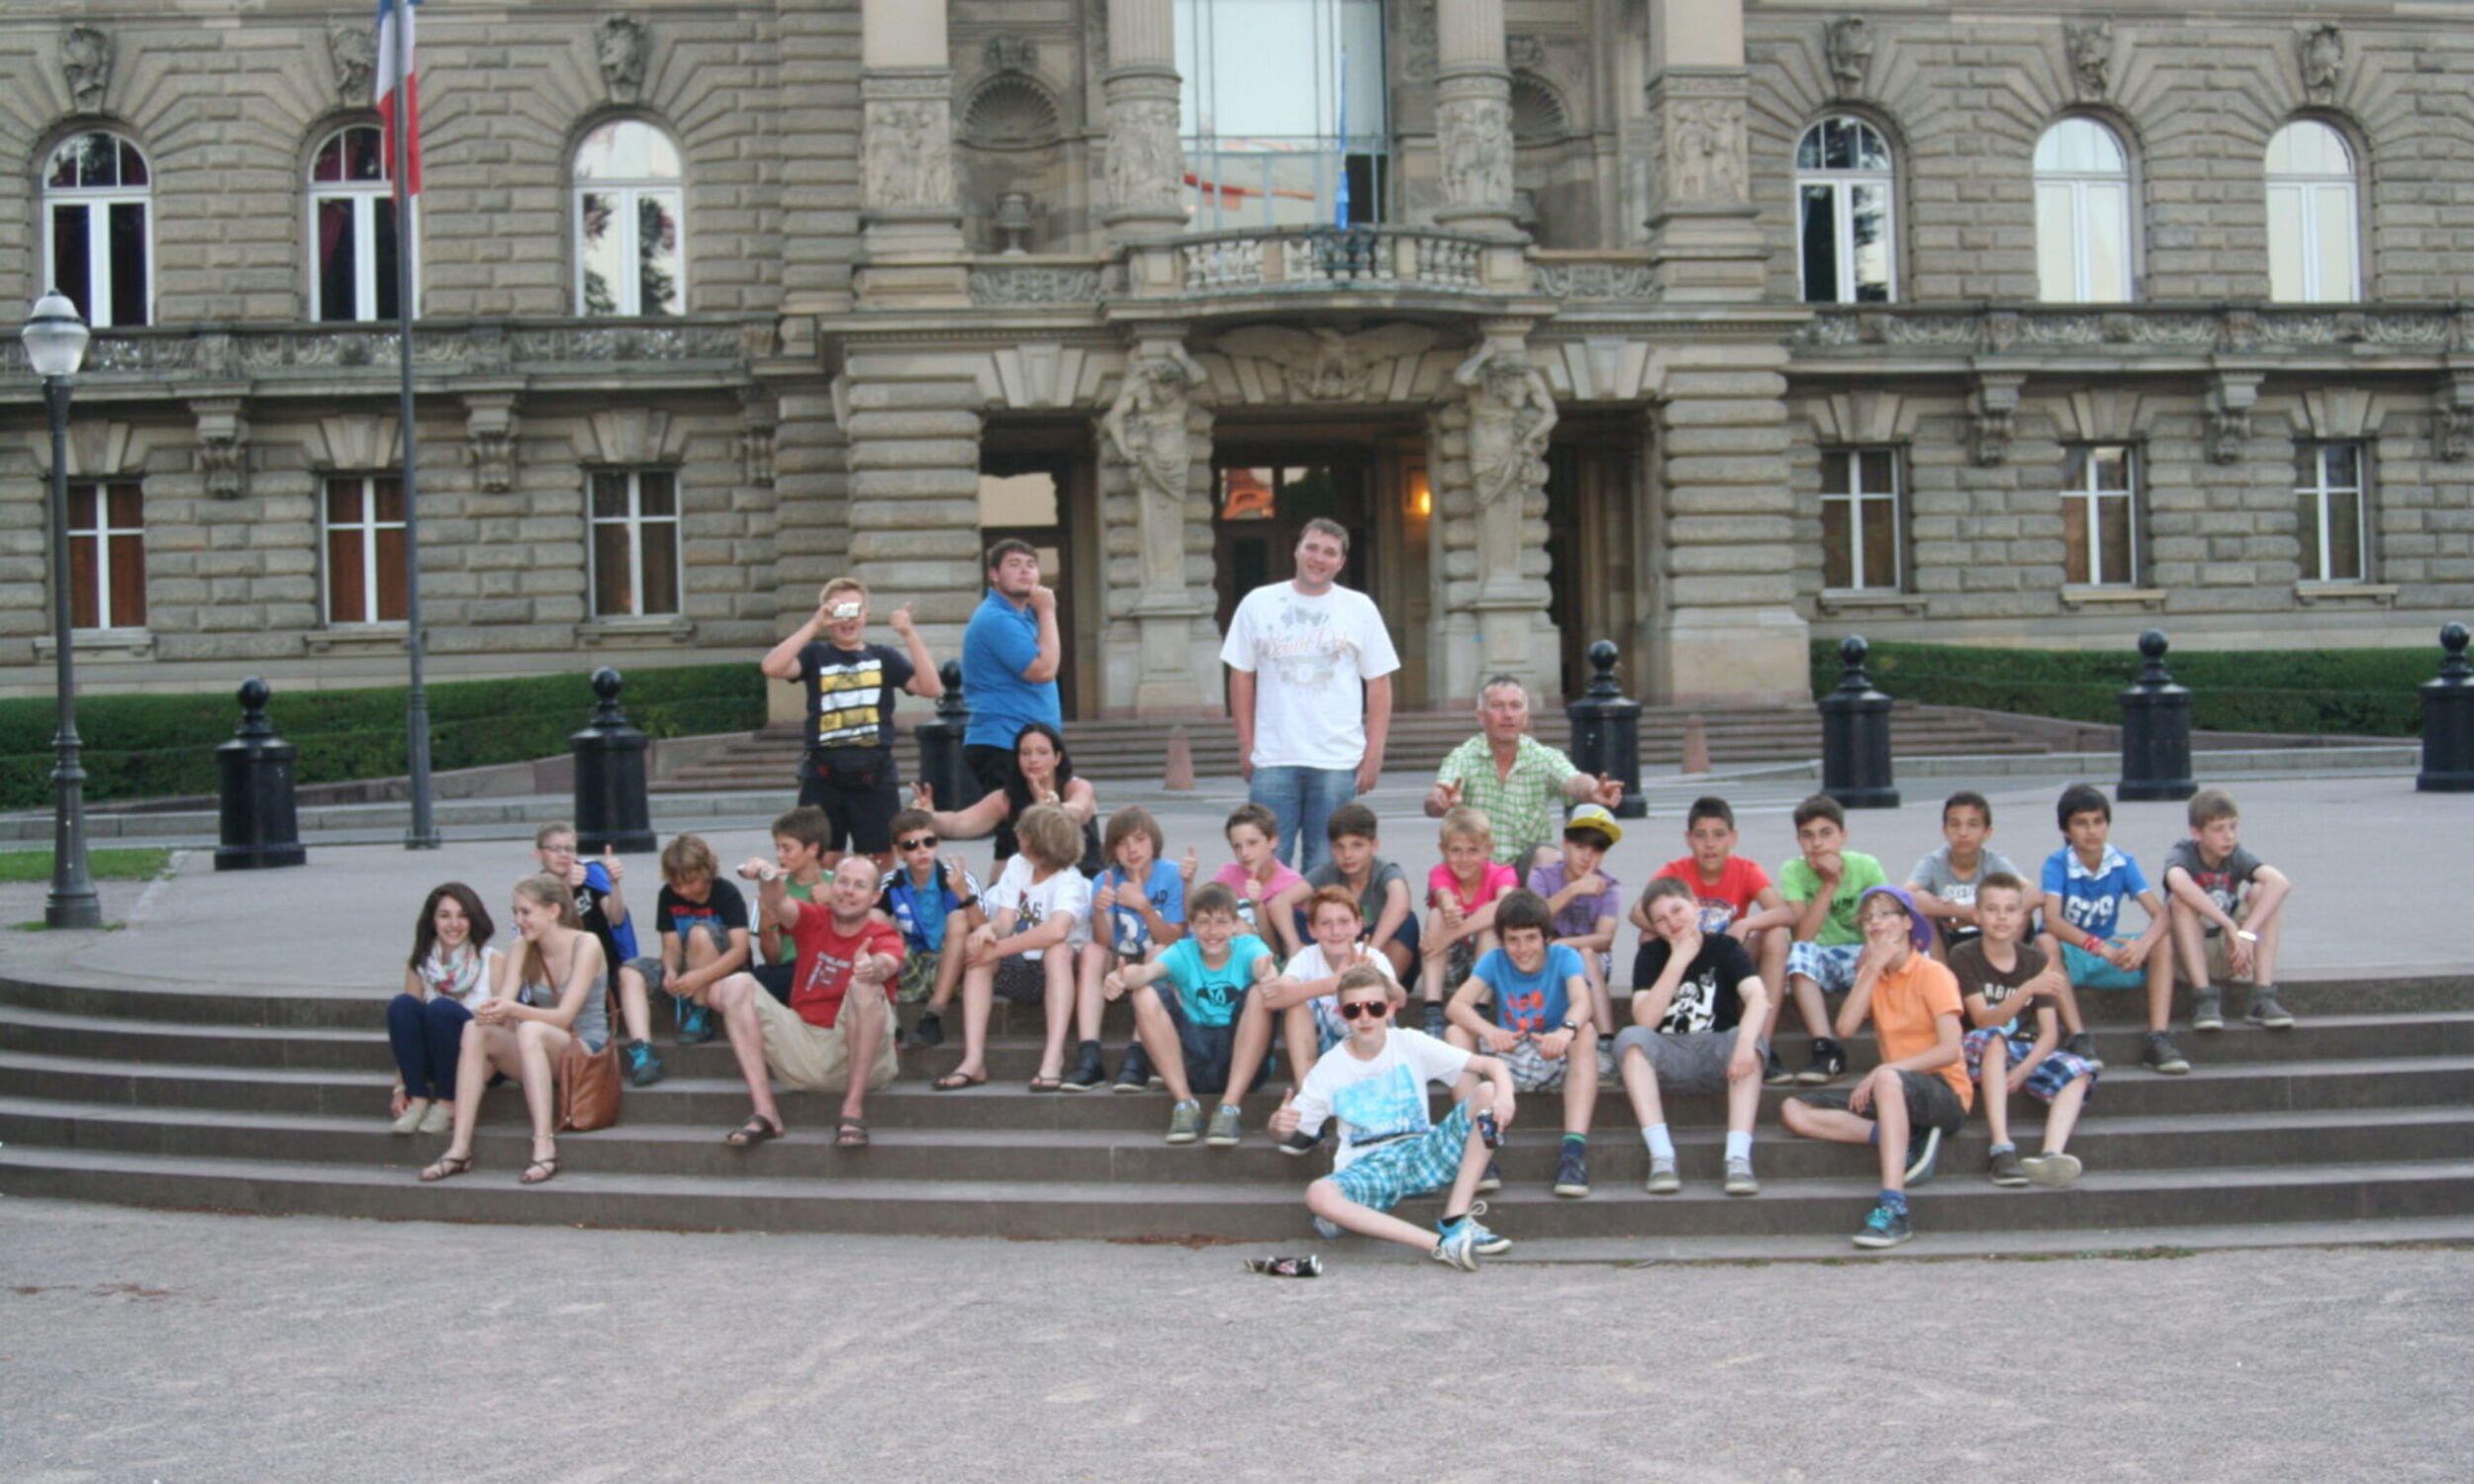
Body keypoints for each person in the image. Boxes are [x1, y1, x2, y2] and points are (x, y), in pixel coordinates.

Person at [1270, 965, 1520, 1271]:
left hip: (1422, 1151)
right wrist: (1277, 1126)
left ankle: (1456, 1220)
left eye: (1374, 1007)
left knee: (1487, 1093)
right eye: (1353, 1009)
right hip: (1369, 1165)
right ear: (1341, 1013)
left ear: (1389, 1009)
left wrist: (1504, 1096)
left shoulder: (1410, 1042)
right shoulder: (1329, 1067)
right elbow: (1290, 1131)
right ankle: (1440, 1245)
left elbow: (1492, 1067)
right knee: (1318, 1193)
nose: (1364, 1017)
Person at [1778, 886, 1971, 1250]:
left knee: (1886, 1076)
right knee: (1794, 1110)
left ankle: (1893, 1208)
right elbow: (1846, 1028)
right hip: (1894, 1089)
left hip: (1944, 1092)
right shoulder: (1875, 976)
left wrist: (1884, 1071)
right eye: (1868, 918)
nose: (1875, 924)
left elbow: (1949, 1049)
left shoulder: (1933, 973)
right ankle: (1899, 1139)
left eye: (1884, 915)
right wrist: (1871, 970)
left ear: (1906, 923)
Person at [1220, 517, 1400, 874]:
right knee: (1266, 864)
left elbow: (1378, 683)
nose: (1319, 558)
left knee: (1327, 864)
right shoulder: (1259, 602)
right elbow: (1241, 677)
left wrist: (1374, 752)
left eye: (1330, 552)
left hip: (1336, 759)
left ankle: (1318, 931)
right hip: (1273, 757)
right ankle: (1268, 933)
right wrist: (1246, 744)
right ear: (1297, 550)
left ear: (1341, 562)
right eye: (1313, 548)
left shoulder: (1359, 607)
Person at [419, 873, 613, 1187]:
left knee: (531, 1029)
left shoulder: (586, 944)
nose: (518, 920)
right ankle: (459, 1147)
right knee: (474, 1029)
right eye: (515, 912)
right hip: (541, 1050)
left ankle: (544, 1146)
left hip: (585, 1050)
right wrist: (490, 1010)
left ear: (552, 911)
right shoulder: (522, 947)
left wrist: (512, 1010)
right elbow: (504, 1002)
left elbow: (564, 1016)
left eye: (525, 912)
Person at [704, 855, 903, 1150]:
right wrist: (768, 876)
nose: (848, 891)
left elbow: (889, 962)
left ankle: (852, 1110)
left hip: (861, 1057)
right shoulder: (813, 919)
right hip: (804, 1046)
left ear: (874, 897)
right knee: (735, 985)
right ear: (830, 886)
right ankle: (766, 1113)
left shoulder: (882, 934)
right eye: (843, 882)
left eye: (859, 886)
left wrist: (873, 968)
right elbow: (778, 903)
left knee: (864, 985)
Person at [758, 577, 942, 874]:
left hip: (874, 777)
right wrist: (814, 625)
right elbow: (772, 666)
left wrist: (908, 633)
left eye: (854, 611)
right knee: (822, 860)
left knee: (880, 861)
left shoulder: (884, 657)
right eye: (839, 611)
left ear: (865, 616)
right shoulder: (815, 655)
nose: (848, 620)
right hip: (824, 776)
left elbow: (931, 687)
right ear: (829, 616)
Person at [1614, 877, 1771, 1197]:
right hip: (1668, 1054)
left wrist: (1742, 1047)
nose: (1672, 922)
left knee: (1750, 1040)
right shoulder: (1651, 955)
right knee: (1630, 1040)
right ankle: (1662, 1156)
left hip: (1718, 1052)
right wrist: (1679, 959)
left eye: (1677, 910)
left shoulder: (1725, 947)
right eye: (1661, 919)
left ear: (1696, 906)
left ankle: (1738, 1158)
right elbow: (1645, 1019)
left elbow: (1758, 998)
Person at [1443, 890, 1598, 1199]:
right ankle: (1479, 1143)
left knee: (1587, 1032)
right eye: (1513, 939)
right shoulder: (1494, 960)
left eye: (1531, 938)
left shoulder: (1565, 957)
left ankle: (1573, 1152)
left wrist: (1565, 1032)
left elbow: (1583, 1002)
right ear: (1502, 940)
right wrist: (1489, 1031)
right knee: (1454, 1034)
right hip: (1507, 1058)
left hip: (1551, 1052)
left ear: (1545, 937)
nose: (1522, 948)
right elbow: (1456, 1005)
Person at [1214, 884, 1402, 1142]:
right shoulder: (1307, 958)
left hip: (1367, 1049)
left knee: (1376, 1003)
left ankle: (1378, 1103)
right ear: (1312, 930)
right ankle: (1310, 1107)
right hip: (1324, 1052)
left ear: (1358, 925)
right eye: (1325, 924)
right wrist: (1332, 983)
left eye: (1344, 922)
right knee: (1296, 1003)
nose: (1335, 931)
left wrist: (1376, 980)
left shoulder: (1373, 956)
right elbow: (1275, 996)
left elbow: (1400, 999)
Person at [1103, 882, 1282, 1145]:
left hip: (1242, 1056)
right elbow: (1145, 973)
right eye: (1204, 922)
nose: (1212, 932)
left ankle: (1230, 1106)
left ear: (1235, 925)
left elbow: (1263, 967)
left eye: (1221, 922)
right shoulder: (1182, 951)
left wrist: (1269, 976)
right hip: (1195, 1056)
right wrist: (1120, 978)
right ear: (1192, 926)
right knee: (1144, 993)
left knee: (1259, 994)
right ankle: (1185, 1104)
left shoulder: (1249, 946)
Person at [933, 804, 1093, 1091]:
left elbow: (1056, 930)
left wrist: (1001, 948)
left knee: (1058, 950)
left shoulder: (1070, 881)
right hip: (1019, 964)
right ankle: (973, 1059)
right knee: (981, 955)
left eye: (1025, 833)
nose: (1019, 836)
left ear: (1041, 841)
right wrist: (988, 931)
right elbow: (1006, 920)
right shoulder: (1018, 865)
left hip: (1058, 973)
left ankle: (1052, 1058)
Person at [1954, 873, 2094, 1188]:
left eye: (2009, 909)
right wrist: (2026, 990)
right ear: (1976, 915)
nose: (2001, 917)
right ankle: (2001, 1148)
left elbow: (2049, 1033)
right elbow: (1983, 1020)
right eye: (1991, 909)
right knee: (1995, 1038)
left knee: (2080, 1069)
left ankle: (2051, 1154)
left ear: (2021, 916)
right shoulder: (1964, 955)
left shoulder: (2037, 960)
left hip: (2021, 1052)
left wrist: (2023, 1071)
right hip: (1977, 1049)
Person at [2039, 783, 2183, 1075]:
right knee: (2045, 942)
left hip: (2109, 952)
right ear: (2066, 831)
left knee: (2161, 942)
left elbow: (2161, 914)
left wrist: (2141, 945)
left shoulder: (2122, 862)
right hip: (2075, 953)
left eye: (2098, 822)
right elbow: (2052, 920)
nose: (2091, 831)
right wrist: (2098, 947)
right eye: (2081, 823)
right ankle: (2078, 1036)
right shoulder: (2057, 865)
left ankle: (2158, 1037)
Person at [1644, 796, 1792, 1079]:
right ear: (1688, 839)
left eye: (1718, 835)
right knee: (1648, 935)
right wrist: (1672, 928)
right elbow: (1639, 910)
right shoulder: (1675, 871)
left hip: (1729, 957)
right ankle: (1666, 1028)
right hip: (1684, 959)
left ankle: (1763, 1045)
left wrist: (1748, 922)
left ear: (1733, 837)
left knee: (1775, 935)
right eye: (1700, 836)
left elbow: (1785, 912)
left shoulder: (1746, 870)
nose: (1709, 844)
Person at [1424, 675, 1623, 869]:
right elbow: (1437, 795)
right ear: (1481, 717)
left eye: (1515, 706)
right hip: (1475, 869)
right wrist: (1439, 800)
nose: (1508, 714)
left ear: (1525, 717)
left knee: (1549, 856)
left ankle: (1539, 902)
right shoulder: (1462, 757)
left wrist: (1593, 789)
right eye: (1497, 706)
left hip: (1525, 872)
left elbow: (1574, 781)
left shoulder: (1544, 757)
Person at [1065, 805, 1194, 1092]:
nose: (1131, 849)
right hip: (1120, 958)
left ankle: (1138, 1053)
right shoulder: (1106, 879)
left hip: (1156, 958)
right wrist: (1099, 912)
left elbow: (1175, 938)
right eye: (1121, 842)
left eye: (1139, 839)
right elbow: (1103, 942)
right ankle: (1089, 1054)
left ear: (1154, 841)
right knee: (1090, 953)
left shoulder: (1172, 875)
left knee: (1159, 952)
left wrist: (1144, 907)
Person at [1774, 793, 1891, 1087]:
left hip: (1860, 958)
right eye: (1808, 836)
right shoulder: (1794, 871)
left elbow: (1887, 917)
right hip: (1821, 959)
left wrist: (1871, 946)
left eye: (1826, 834)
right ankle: (1825, 1047)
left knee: (1905, 948)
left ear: (1843, 836)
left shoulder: (1866, 866)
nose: (1817, 843)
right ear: (1799, 840)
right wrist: (1829, 884)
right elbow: (1802, 934)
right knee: (1798, 951)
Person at [532, 822, 660, 1085]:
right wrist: (566, 891)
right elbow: (553, 939)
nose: (564, 855)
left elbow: (615, 917)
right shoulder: (534, 894)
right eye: (555, 849)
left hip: (604, 975)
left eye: (569, 849)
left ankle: (642, 1052)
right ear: (539, 854)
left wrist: (614, 884)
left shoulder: (589, 879)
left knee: (629, 973)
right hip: (563, 982)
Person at [2162, 788, 2297, 1033]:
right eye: (2218, 829)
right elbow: (2177, 882)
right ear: (2196, 832)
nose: (2228, 836)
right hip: (2189, 954)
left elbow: (2280, 883)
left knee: (2263, 893)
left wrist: (2246, 933)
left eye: (2232, 827)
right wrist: (2229, 924)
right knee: (2179, 902)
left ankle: (2262, 997)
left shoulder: (2236, 854)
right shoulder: (2183, 853)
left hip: (2232, 951)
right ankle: (2204, 997)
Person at [914, 720, 1101, 876]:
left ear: (1057, 757)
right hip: (1026, 884)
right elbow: (960, 822)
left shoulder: (1076, 786)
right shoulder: (1006, 798)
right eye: (1025, 753)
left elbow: (1080, 809)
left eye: (1042, 752)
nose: (1033, 759)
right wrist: (928, 816)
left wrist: (1055, 807)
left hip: (1081, 877)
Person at [387, 882, 501, 1136]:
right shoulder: (420, 963)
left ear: (474, 920)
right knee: (402, 1005)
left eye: (462, 916)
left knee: (441, 1009)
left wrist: (474, 1083)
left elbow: (506, 1032)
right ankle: (417, 1103)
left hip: (476, 1059)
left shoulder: (493, 960)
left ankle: (446, 1104)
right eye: (445, 916)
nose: (454, 924)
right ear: (432, 921)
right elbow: (407, 1031)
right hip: (435, 1058)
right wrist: (399, 1087)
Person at [959, 538, 1062, 798]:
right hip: (1005, 742)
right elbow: (1043, 670)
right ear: (994, 575)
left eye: (1031, 565)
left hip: (1028, 742)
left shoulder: (1024, 615)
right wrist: (1048, 612)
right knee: (1018, 833)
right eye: (1014, 564)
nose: (1025, 570)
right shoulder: (996, 618)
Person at [632, 834, 750, 1062]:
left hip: (721, 967)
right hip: (689, 967)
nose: (684, 890)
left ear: (706, 872)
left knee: (699, 933)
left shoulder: (726, 893)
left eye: (690, 882)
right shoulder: (667, 895)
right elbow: (671, 946)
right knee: (630, 971)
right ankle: (641, 1050)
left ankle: (699, 1011)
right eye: (677, 884)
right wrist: (670, 970)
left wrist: (701, 977)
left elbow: (740, 950)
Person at [879, 807, 984, 1050]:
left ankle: (932, 1017)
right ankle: (890, 1023)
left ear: (938, 843)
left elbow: (987, 932)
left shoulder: (958, 878)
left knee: (959, 918)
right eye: (911, 845)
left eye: (928, 841)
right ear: (898, 852)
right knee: (876, 919)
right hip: (913, 967)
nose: (921, 850)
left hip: (954, 966)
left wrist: (964, 896)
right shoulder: (891, 882)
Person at [1525, 802, 1624, 1043]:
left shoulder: (1609, 886)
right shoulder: (1541, 876)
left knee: (1588, 953)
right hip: (1541, 954)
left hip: (1586, 958)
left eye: (1597, 850)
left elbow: (1604, 938)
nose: (1587, 857)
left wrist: (1562, 943)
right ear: (1565, 844)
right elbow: (1530, 919)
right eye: (1580, 847)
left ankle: (1605, 1040)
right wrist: (1575, 889)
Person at [1419, 805, 1515, 1038]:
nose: (1464, 859)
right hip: (1453, 964)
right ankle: (1432, 1010)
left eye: (1473, 850)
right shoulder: (1440, 872)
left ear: (1488, 850)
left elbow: (1505, 905)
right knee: (1436, 916)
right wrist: (1447, 907)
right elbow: (1442, 895)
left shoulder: (1503, 872)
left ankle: (1479, 1010)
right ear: (1443, 850)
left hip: (1491, 970)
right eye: (1456, 851)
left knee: (1491, 928)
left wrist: (1450, 935)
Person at [1298, 801, 1420, 984]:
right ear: (1331, 848)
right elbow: (1281, 901)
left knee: (1407, 921)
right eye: (1340, 847)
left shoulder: (1385, 871)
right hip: (1338, 950)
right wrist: (1293, 944)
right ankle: (1307, 981)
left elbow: (1400, 902)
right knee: (1297, 917)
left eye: (1357, 846)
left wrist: (1370, 952)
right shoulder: (1328, 872)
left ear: (1373, 845)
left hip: (1376, 954)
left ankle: (1383, 991)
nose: (1347, 854)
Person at [1904, 790, 2023, 956]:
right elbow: (1907, 896)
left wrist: (1983, 914)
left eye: (1973, 825)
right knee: (1923, 915)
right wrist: (1960, 912)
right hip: (1947, 936)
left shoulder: (1994, 862)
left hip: (1988, 936)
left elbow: (2033, 895)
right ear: (1944, 830)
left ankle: (2003, 965)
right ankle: (1943, 977)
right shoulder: (1933, 863)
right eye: (1955, 824)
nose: (1963, 833)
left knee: (2020, 914)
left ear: (1987, 832)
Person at [752, 806, 832, 1005]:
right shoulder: (769, 890)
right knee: (759, 978)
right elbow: (772, 959)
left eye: (787, 848)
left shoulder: (840, 883)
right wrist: (766, 930)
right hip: (791, 970)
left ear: (813, 849)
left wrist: (836, 900)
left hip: (831, 966)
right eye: (777, 848)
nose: (780, 856)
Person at [1212, 801, 1305, 956]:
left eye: (1252, 843)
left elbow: (1275, 948)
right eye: (1237, 846)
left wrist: (1257, 905)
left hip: (1274, 956)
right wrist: (1188, 882)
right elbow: (1200, 914)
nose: (1244, 853)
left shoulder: (1292, 883)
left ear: (1273, 841)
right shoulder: (1227, 876)